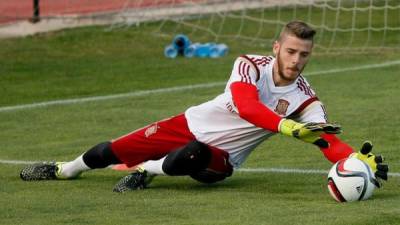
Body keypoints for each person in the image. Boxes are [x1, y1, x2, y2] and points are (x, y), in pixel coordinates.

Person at [20, 20, 388, 193]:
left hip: (218, 160)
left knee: (192, 154)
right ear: (277, 47)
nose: (296, 60)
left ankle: (147, 171)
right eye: (291, 51)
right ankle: (64, 170)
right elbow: (246, 106)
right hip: (188, 123)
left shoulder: (305, 98)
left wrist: (353, 160)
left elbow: (325, 140)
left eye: (304, 54)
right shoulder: (248, 65)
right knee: (109, 151)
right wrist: (286, 126)